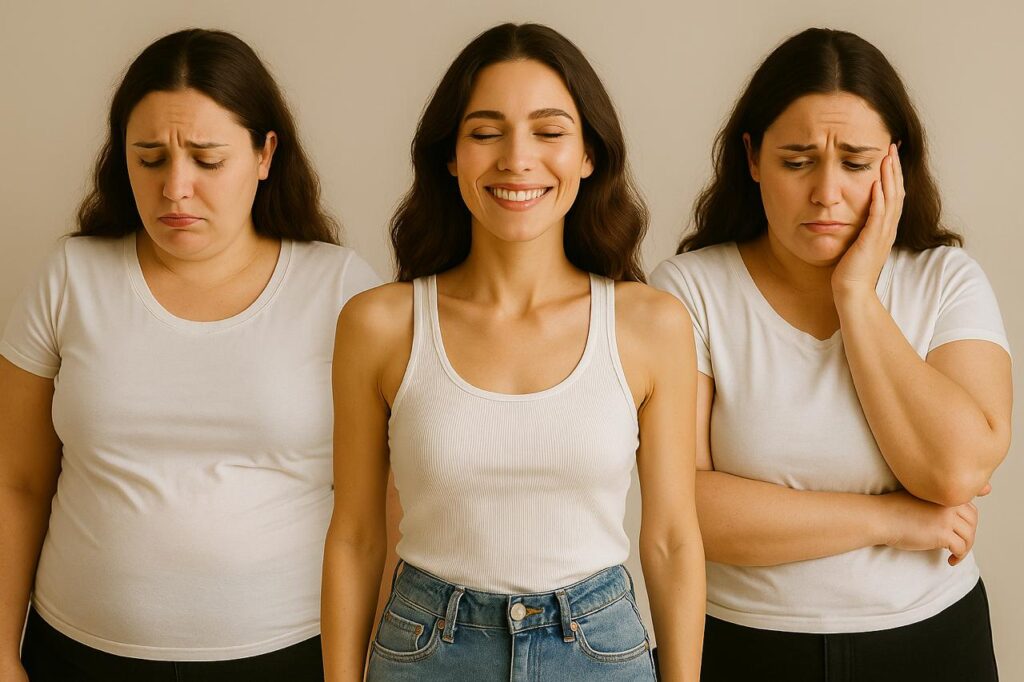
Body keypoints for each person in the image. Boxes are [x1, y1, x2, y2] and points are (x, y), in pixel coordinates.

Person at [321, 22, 705, 682]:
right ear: (450, 156)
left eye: (549, 131)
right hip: (426, 652)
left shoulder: (652, 324)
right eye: (485, 133)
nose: (517, 159)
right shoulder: (378, 324)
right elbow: (355, 537)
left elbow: (672, 540)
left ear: (589, 155)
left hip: (598, 654)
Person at [0, 29, 380, 681]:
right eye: (150, 159)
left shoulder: (340, 289)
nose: (175, 189)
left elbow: (378, 511)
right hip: (76, 654)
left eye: (207, 160)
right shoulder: (71, 275)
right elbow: (16, 481)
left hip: (290, 654)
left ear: (265, 154)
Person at [650, 27, 1011, 681]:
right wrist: (893, 519)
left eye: (856, 162)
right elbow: (686, 510)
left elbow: (954, 471)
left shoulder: (945, 280)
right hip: (742, 646)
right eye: (797, 161)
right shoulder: (690, 290)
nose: (826, 192)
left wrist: (857, 296)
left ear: (895, 164)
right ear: (752, 158)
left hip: (932, 644)